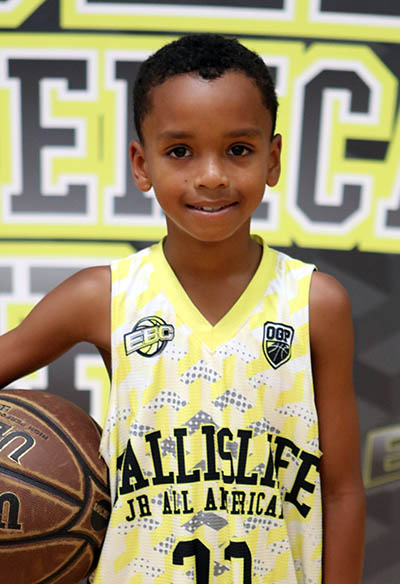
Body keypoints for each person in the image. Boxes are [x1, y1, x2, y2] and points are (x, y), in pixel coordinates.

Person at [0, 34, 365, 583]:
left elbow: (341, 492)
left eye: (238, 150)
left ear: (272, 159)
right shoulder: (105, 295)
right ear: (141, 164)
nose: (212, 175)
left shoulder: (314, 301)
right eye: (180, 152)